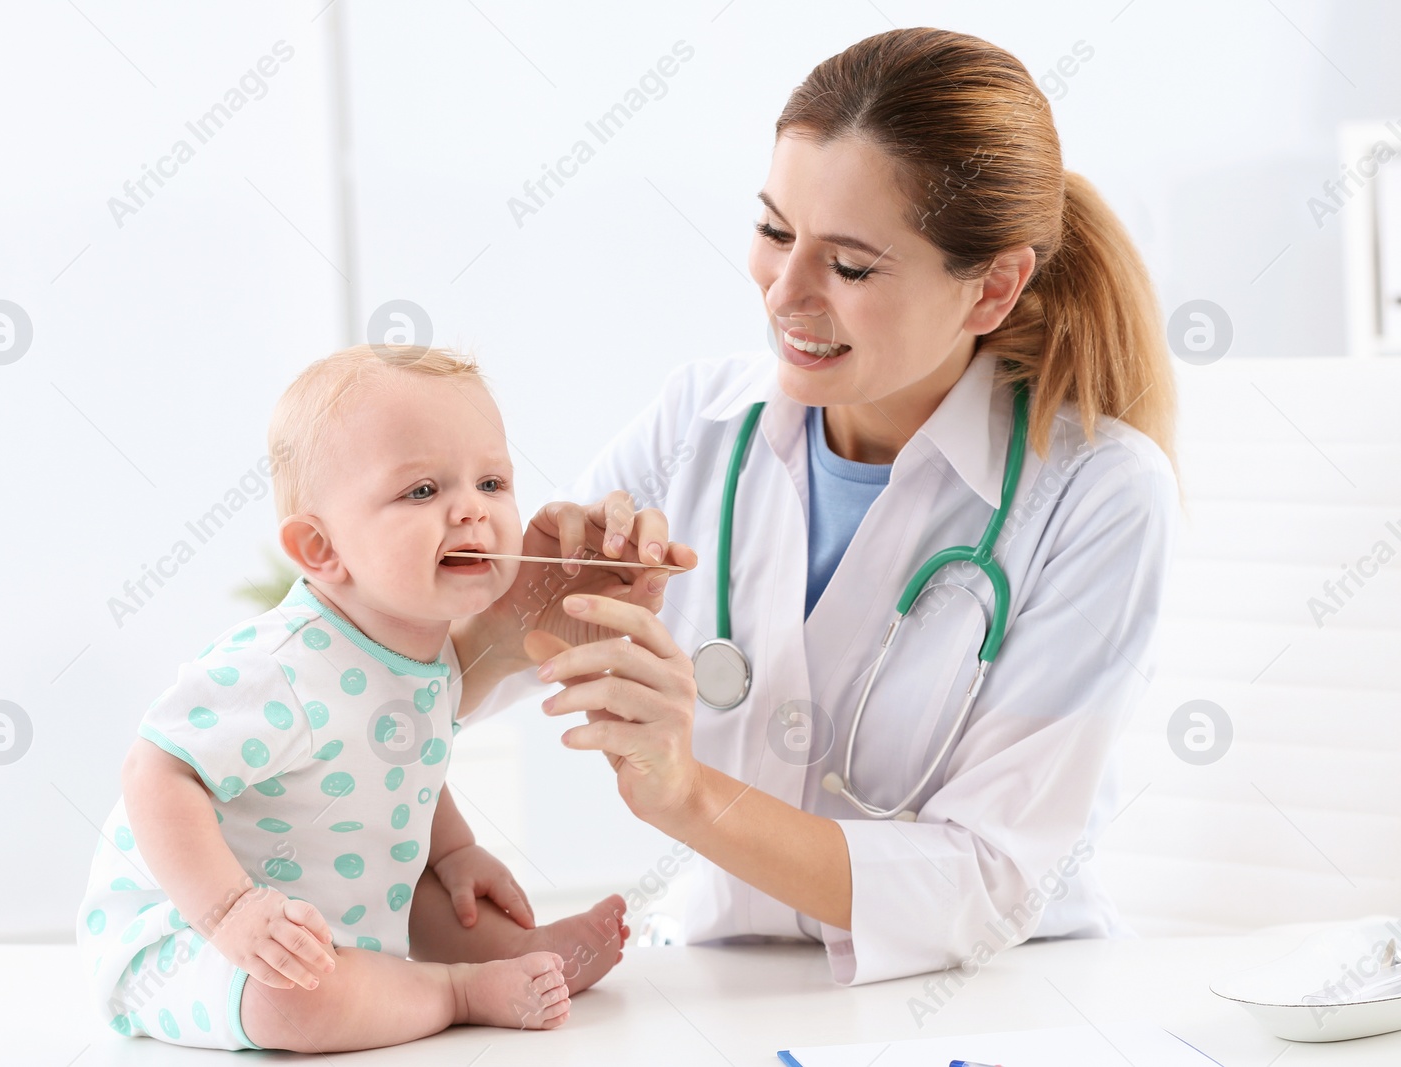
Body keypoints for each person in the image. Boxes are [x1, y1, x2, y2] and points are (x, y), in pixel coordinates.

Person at [446, 27, 1180, 987]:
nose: (784, 292)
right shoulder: (699, 420)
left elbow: (993, 878)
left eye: (852, 266)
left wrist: (690, 798)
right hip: (729, 990)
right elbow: (394, 701)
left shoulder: (1097, 493)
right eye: (775, 231)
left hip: (996, 1005)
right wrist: (513, 625)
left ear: (993, 288)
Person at [74, 345, 640, 1053]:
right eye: (423, 491)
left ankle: (521, 949)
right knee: (298, 1005)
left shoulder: (421, 653)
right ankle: (459, 989)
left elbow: (401, 763)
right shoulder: (281, 666)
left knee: (438, 894)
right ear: (320, 548)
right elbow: (154, 772)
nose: (471, 509)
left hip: (338, 915)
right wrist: (230, 910)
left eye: (492, 481)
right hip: (187, 942)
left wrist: (455, 850)